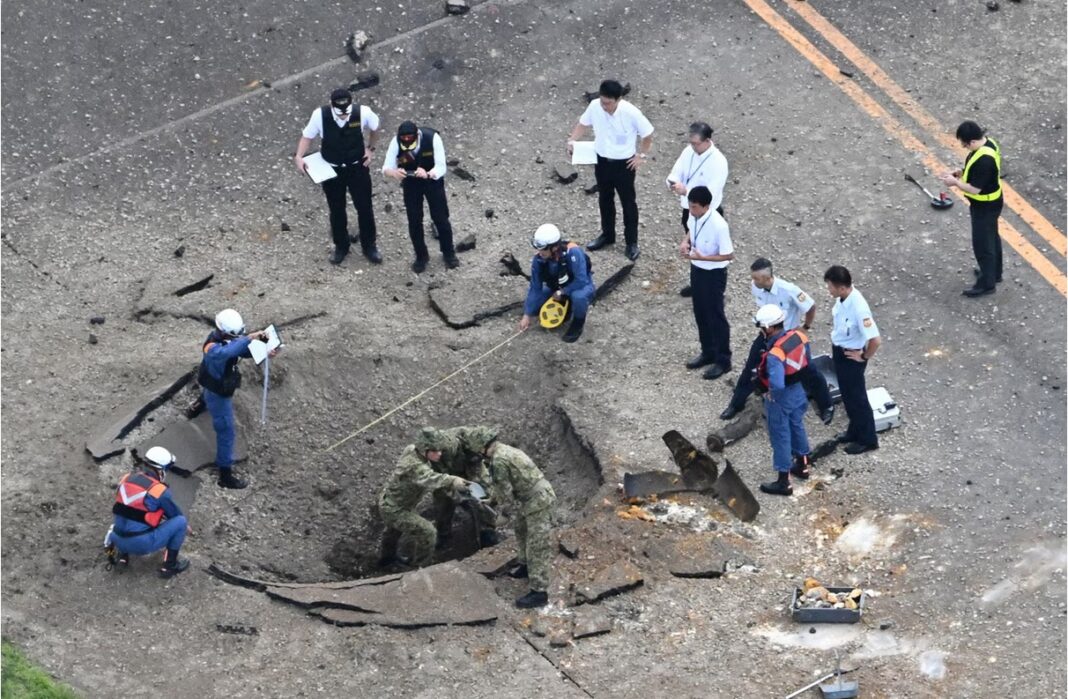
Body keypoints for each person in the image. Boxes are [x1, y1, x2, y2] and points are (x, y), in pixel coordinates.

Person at [720, 258, 834, 424]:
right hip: (767, 334)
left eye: (756, 278)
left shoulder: (788, 290)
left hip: (789, 338)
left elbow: (810, 306)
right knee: (751, 367)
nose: (753, 282)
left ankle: (826, 406)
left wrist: (805, 327)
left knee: (807, 370)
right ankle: (736, 404)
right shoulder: (756, 288)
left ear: (767, 278)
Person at [567, 80, 654, 261]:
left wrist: (641, 156)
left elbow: (647, 134)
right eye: (602, 101)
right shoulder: (594, 106)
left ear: (618, 99)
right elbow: (583, 124)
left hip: (624, 164)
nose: (604, 106)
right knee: (605, 199)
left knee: (628, 203)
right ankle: (607, 235)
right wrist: (572, 140)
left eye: (608, 103)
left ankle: (631, 242)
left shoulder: (631, 113)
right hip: (602, 161)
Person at [294, 87, 383, 266]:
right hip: (332, 169)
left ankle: (369, 245)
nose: (343, 116)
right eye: (339, 113)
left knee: (365, 207)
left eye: (346, 113)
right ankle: (341, 246)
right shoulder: (320, 116)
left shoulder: (363, 112)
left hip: (357, 167)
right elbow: (307, 137)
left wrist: (371, 149)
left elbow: (376, 128)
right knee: (336, 209)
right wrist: (298, 156)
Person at [476, 437, 556, 609]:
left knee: (537, 544)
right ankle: (526, 566)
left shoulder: (499, 460)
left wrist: (503, 514)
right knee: (520, 529)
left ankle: (539, 592)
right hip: (527, 499)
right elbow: (502, 489)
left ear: (483, 447)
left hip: (538, 500)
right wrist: (491, 501)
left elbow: (505, 490)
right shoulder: (504, 449)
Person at [198, 308, 274, 489]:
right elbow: (228, 352)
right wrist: (249, 339)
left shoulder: (222, 338)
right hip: (218, 393)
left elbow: (240, 350)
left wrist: (264, 350)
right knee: (226, 433)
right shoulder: (214, 349)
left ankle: (199, 404)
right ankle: (225, 475)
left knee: (206, 395)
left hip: (211, 382)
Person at [378, 428, 474, 568]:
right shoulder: (414, 466)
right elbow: (430, 477)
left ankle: (386, 559)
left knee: (394, 530)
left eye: (439, 450)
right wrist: (453, 480)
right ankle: (420, 568)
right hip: (395, 509)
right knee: (428, 532)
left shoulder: (413, 450)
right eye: (435, 451)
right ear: (424, 450)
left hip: (396, 503)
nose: (439, 454)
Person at [382, 120, 460, 273]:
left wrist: (428, 173)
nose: (406, 141)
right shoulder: (395, 142)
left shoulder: (433, 138)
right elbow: (386, 167)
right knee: (414, 219)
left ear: (417, 135)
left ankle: (449, 253)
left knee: (441, 218)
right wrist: (395, 173)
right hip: (411, 183)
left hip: (432, 181)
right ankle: (421, 256)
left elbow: (441, 166)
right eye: (403, 139)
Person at [753, 305, 814, 497]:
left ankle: (783, 481)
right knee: (797, 425)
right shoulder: (800, 337)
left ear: (769, 328)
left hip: (781, 398)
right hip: (798, 392)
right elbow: (808, 363)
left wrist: (770, 393)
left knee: (780, 435)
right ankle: (803, 466)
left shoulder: (775, 354)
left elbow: (777, 384)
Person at [939, 121, 1004, 297]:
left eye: (965, 144)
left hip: (985, 206)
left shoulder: (985, 160)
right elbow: (975, 172)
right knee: (992, 238)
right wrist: (960, 172)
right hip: (992, 202)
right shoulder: (988, 145)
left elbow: (975, 189)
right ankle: (995, 273)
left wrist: (955, 183)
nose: (964, 147)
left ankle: (986, 283)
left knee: (983, 245)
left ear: (973, 141)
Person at [107, 447, 191, 578]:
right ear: (160, 469)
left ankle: (122, 557)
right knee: (181, 522)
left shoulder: (126, 479)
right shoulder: (158, 491)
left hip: (116, 537)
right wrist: (186, 527)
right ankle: (169, 567)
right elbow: (175, 515)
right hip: (141, 544)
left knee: (125, 514)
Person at [666, 122, 728, 297]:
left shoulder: (719, 162)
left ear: (708, 140)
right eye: (691, 142)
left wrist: (685, 191)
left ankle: (716, 290)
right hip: (690, 209)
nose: (692, 147)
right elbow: (676, 172)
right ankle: (697, 284)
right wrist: (672, 182)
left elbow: (712, 193)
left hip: (709, 211)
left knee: (713, 252)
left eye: (696, 143)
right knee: (694, 248)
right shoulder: (688, 152)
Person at [825, 266, 882, 455]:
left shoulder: (859, 308)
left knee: (857, 398)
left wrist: (864, 356)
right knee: (848, 396)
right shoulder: (843, 299)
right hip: (841, 352)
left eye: (830, 287)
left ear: (842, 288)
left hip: (852, 357)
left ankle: (868, 439)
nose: (828, 290)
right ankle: (854, 430)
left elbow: (875, 340)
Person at [680, 186, 734, 380]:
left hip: (714, 273)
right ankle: (708, 351)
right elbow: (690, 228)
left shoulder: (719, 226)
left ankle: (723, 359)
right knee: (700, 311)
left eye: (694, 207)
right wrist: (685, 241)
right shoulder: (693, 216)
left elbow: (728, 254)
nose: (691, 210)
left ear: (706, 206)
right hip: (697, 269)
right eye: (690, 206)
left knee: (715, 314)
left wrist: (704, 257)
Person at [419, 426, 501, 549]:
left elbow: (477, 471)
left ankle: (487, 531)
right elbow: (436, 478)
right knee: (443, 502)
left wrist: (474, 490)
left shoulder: (473, 444)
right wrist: (457, 495)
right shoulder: (432, 451)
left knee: (483, 495)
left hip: (467, 468)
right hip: (445, 474)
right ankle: (443, 536)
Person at [519, 224, 596, 343]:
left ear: (554, 247)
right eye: (538, 248)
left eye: (543, 249)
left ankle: (578, 322)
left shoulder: (573, 253)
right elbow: (535, 287)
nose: (540, 252)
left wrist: (563, 292)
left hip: (579, 286)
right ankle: (565, 304)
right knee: (536, 304)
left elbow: (581, 280)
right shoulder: (538, 260)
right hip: (556, 287)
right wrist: (527, 314)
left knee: (578, 297)